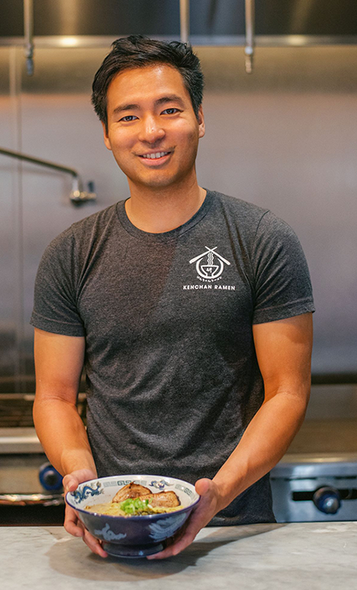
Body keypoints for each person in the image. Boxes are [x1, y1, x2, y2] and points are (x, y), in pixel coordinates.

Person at [31, 35, 314, 559]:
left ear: (200, 118)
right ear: (107, 133)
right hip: (113, 527)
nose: (152, 131)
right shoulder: (70, 254)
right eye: (128, 116)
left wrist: (217, 496)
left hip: (233, 530)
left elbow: (288, 392)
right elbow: (53, 396)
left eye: (169, 109)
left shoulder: (263, 239)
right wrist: (79, 475)